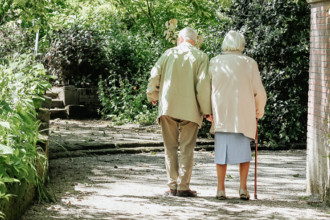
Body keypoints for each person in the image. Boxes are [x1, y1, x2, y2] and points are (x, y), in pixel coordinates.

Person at [146, 27, 212, 197]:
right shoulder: (201, 57)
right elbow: (203, 85)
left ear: (180, 39)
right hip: (191, 109)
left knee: (170, 148)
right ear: (195, 41)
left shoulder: (168, 54)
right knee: (187, 148)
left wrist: (153, 95)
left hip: (168, 106)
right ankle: (183, 187)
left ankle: (172, 185)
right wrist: (206, 110)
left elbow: (154, 75)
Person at [208, 30, 267, 200]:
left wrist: (207, 111)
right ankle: (243, 188)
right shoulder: (249, 63)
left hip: (222, 114)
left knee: (221, 154)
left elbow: (207, 88)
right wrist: (258, 111)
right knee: (244, 153)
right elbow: (259, 92)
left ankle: (220, 189)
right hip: (243, 114)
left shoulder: (215, 62)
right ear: (241, 44)